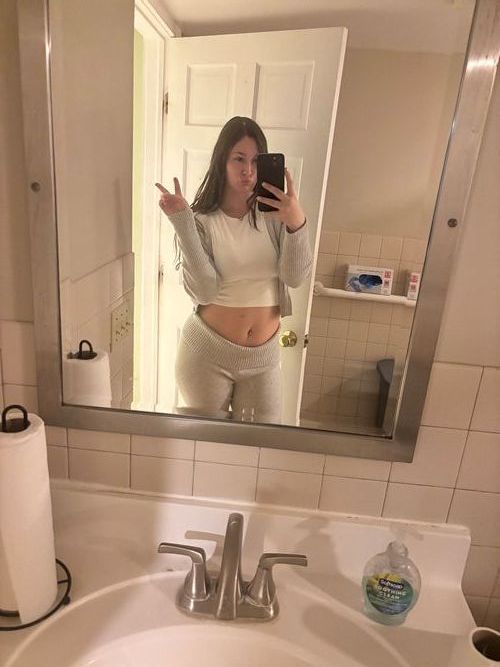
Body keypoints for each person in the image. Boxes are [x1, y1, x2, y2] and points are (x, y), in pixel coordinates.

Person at [156, 116, 312, 423]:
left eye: (255, 161)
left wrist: (296, 223)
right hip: (206, 354)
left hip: (264, 359)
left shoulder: (277, 216)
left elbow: (295, 277)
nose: (248, 170)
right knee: (204, 446)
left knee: (260, 444)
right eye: (238, 159)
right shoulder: (202, 221)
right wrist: (184, 223)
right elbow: (204, 291)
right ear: (222, 161)